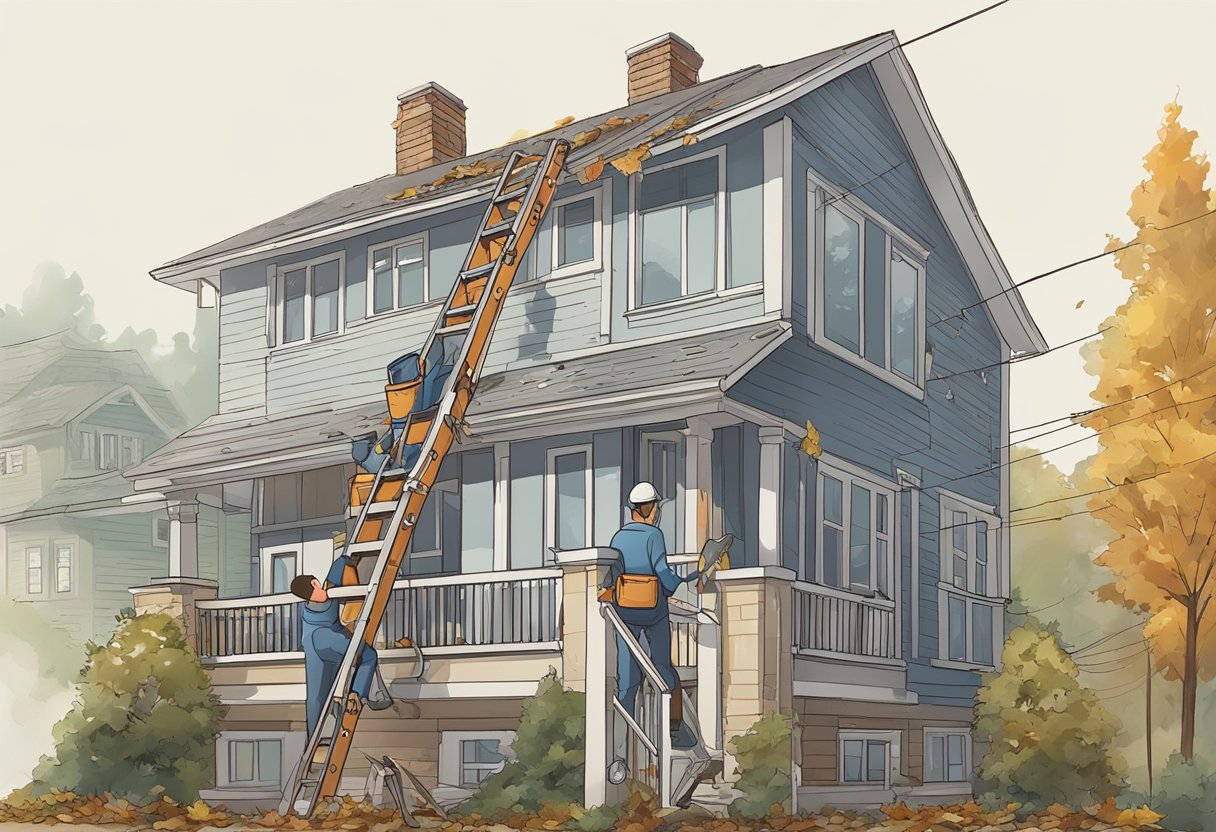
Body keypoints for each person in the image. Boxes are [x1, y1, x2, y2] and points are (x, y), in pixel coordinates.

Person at [610, 481, 700, 741]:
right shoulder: (654, 535)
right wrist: (681, 585)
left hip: (624, 611)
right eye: (657, 506)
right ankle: (673, 730)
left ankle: (622, 738)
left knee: (627, 676)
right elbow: (663, 572)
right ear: (649, 508)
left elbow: (615, 573)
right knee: (662, 667)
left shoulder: (618, 537)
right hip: (653, 610)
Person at [290, 554, 393, 735]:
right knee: (317, 698)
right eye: (312, 595)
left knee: (322, 694)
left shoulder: (330, 588)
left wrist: (352, 587)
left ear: (316, 583)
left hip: (319, 642)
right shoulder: (326, 592)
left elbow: (342, 561)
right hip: (321, 640)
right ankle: (355, 695)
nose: (317, 597)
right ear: (314, 584)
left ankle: (349, 699)